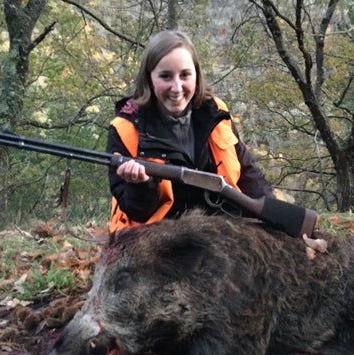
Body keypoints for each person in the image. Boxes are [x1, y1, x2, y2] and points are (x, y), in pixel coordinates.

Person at [107, 30, 274, 232]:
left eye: (185, 75)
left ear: (196, 75)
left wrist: (275, 214)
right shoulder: (125, 129)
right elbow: (137, 212)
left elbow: (248, 174)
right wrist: (139, 185)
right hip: (155, 236)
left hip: (218, 228)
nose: (176, 88)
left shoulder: (215, 112)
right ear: (149, 78)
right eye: (165, 76)